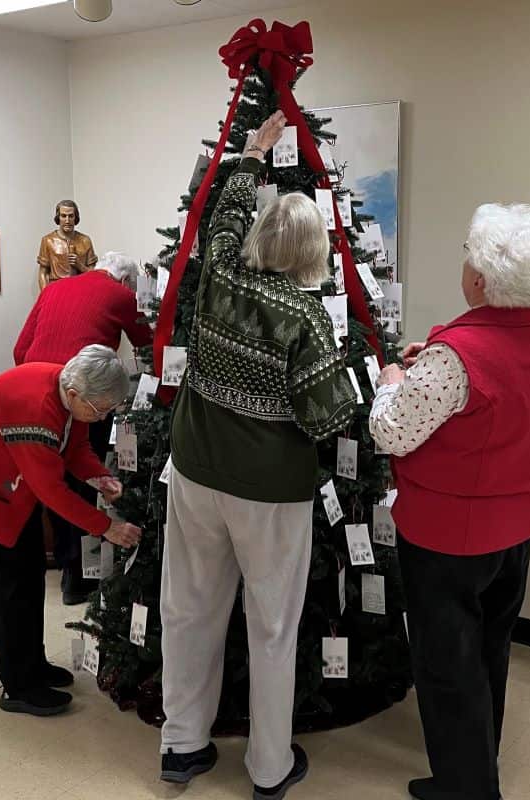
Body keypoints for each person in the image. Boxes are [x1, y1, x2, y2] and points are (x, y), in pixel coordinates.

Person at [159, 111, 355, 799]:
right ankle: (269, 767)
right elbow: (329, 414)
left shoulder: (216, 276)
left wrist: (253, 153)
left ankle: (182, 745)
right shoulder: (304, 317)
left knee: (187, 606)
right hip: (269, 492)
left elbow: (222, 216)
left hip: (194, 472)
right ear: (310, 252)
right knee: (272, 623)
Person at [369, 204, 530, 800]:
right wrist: (425, 368)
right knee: (489, 656)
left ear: (481, 279)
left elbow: (392, 431)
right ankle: (478, 767)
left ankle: (467, 789)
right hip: (515, 526)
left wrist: (391, 383)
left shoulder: (458, 355)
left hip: (446, 534)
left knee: (447, 669)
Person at [0, 345, 142, 717]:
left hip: (17, 497)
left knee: (29, 581)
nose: (101, 415)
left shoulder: (73, 389)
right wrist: (107, 528)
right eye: (100, 409)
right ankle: (17, 686)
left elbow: (75, 449)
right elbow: (51, 489)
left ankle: (33, 666)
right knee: (7, 594)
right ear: (74, 396)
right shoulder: (35, 411)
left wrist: (99, 476)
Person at [15, 251, 153, 604]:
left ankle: (63, 568)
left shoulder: (54, 289)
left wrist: (43, 380)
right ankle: (77, 576)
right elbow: (148, 345)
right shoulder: (121, 295)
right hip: (84, 395)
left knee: (49, 479)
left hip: (34, 392)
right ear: (125, 281)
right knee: (80, 483)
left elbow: (20, 350)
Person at [37, 199, 97, 290]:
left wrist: (80, 265)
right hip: (57, 290)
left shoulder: (85, 240)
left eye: (71, 216)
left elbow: (94, 274)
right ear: (58, 217)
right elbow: (43, 273)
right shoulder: (48, 240)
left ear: (75, 218)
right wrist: (45, 296)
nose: (67, 220)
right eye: (63, 216)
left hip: (81, 289)